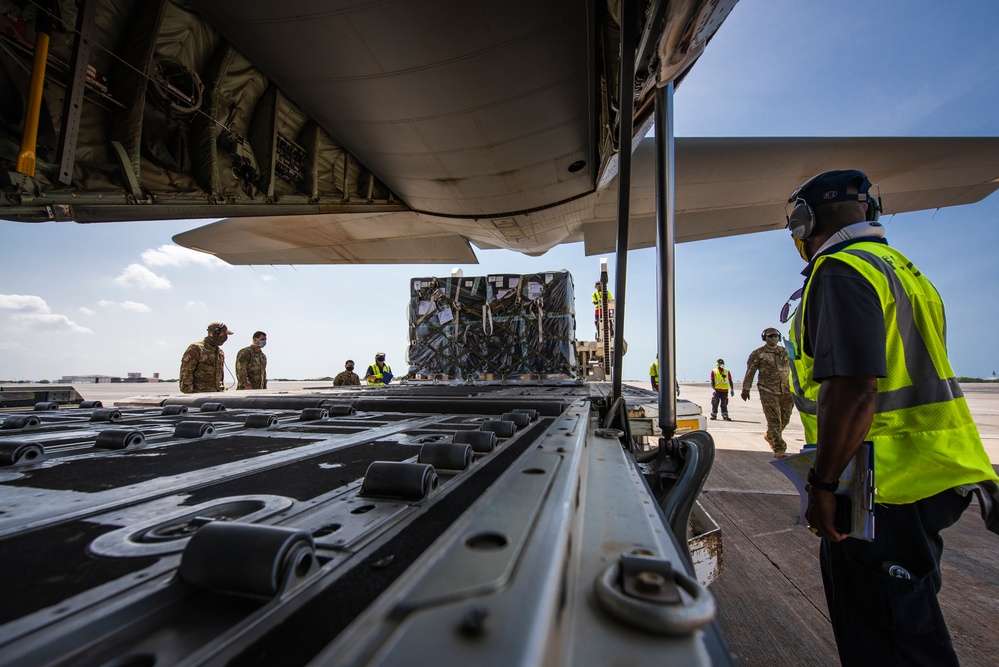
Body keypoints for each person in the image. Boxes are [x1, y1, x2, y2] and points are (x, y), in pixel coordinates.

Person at [785, 169, 998, 666]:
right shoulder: (902, 268)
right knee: (904, 621)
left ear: (804, 222)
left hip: (882, 486)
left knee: (891, 642)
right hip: (930, 472)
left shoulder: (840, 270)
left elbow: (854, 388)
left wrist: (823, 485)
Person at [741, 328, 794, 458]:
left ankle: (770, 436)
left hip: (787, 391)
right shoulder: (758, 354)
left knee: (785, 419)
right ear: (765, 338)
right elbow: (750, 372)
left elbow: (795, 368)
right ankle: (779, 448)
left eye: (776, 335)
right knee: (774, 420)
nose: (774, 338)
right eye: (771, 336)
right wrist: (746, 389)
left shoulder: (785, 352)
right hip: (768, 391)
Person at [179, 322, 231, 393]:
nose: (225, 337)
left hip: (217, 393)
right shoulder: (196, 348)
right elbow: (186, 372)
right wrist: (189, 394)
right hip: (199, 394)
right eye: (224, 333)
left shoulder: (219, 352)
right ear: (215, 333)